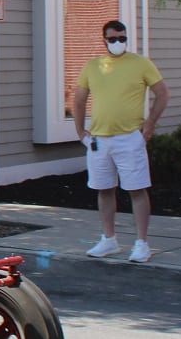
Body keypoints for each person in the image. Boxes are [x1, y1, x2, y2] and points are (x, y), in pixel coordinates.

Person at [71, 19, 169, 263]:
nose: (117, 43)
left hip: (129, 137)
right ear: (104, 39)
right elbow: (79, 100)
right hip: (99, 139)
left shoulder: (140, 63)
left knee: (137, 189)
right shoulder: (93, 66)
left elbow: (162, 93)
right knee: (103, 189)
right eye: (112, 39)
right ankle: (109, 239)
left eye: (122, 38)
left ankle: (142, 243)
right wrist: (79, 131)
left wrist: (150, 122)